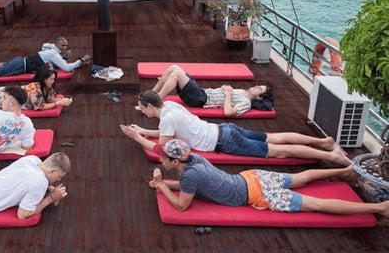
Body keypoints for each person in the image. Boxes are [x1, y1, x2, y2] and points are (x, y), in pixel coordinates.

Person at [150, 138, 389, 218]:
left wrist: (162, 185)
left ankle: (379, 208)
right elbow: (189, 185)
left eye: (164, 157)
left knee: (316, 204)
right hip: (252, 177)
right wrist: (167, 183)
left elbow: (181, 206)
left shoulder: (191, 175)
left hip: (257, 193)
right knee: (300, 178)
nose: (160, 159)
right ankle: (343, 171)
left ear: (176, 162)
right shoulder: (195, 159)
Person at [120, 90, 352, 166]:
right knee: (275, 137)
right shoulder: (170, 106)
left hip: (225, 142)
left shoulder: (167, 119)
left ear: (150, 106)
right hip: (226, 129)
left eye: (143, 108)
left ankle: (330, 155)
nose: (143, 111)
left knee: (279, 151)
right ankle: (324, 142)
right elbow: (168, 134)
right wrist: (144, 131)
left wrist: (136, 137)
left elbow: (162, 148)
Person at [0, 36, 91, 83]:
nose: (65, 47)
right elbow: (67, 68)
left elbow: (46, 48)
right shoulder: (54, 54)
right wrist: (82, 60)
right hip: (19, 67)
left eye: (66, 45)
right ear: (58, 44)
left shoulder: (50, 48)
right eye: (63, 45)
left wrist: (63, 56)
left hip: (20, 60)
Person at [149, 64, 274, 116]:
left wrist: (228, 95)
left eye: (259, 89)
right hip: (202, 92)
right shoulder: (243, 91)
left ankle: (154, 100)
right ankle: (152, 92)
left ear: (259, 97)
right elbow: (224, 93)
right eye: (259, 85)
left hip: (200, 99)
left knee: (176, 74)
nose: (256, 86)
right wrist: (224, 88)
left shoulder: (246, 103)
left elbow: (228, 112)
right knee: (174, 68)